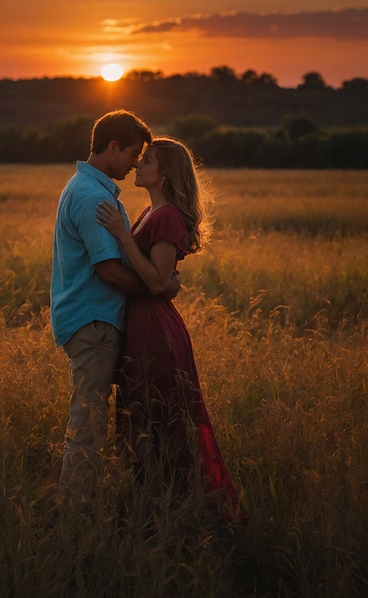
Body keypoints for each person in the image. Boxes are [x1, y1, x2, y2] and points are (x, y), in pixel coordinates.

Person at [96, 136, 247, 525]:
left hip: (155, 330)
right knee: (147, 419)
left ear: (163, 172)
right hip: (144, 322)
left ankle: (178, 513)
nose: (138, 165)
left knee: (162, 421)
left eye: (145, 160)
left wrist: (123, 235)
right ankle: (154, 509)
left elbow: (156, 280)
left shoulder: (165, 217)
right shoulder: (152, 210)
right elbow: (165, 279)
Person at [50, 109, 180, 504]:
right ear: (111, 147)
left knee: (94, 417)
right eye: (132, 153)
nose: (136, 162)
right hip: (94, 320)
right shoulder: (91, 196)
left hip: (94, 319)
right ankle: (74, 510)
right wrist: (157, 288)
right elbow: (107, 270)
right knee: (88, 421)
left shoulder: (89, 189)